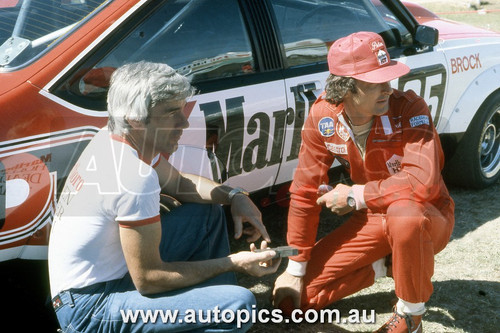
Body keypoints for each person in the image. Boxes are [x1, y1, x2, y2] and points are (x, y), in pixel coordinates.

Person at [48, 61, 281, 332]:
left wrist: (234, 195)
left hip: (89, 288)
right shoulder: (133, 176)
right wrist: (234, 263)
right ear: (135, 118)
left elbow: (180, 183)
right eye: (172, 112)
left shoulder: (114, 137)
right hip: (89, 308)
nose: (184, 121)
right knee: (238, 306)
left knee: (208, 211)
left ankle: (203, 305)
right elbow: (149, 279)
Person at [272, 31, 455, 333]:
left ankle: (411, 315)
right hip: (373, 218)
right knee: (293, 302)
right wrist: (295, 267)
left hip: (426, 215)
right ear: (346, 88)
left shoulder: (410, 107)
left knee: (405, 215)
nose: (387, 88)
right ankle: (384, 264)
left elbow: (422, 184)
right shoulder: (322, 116)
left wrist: (356, 195)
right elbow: (304, 192)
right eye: (376, 81)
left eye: (389, 77)